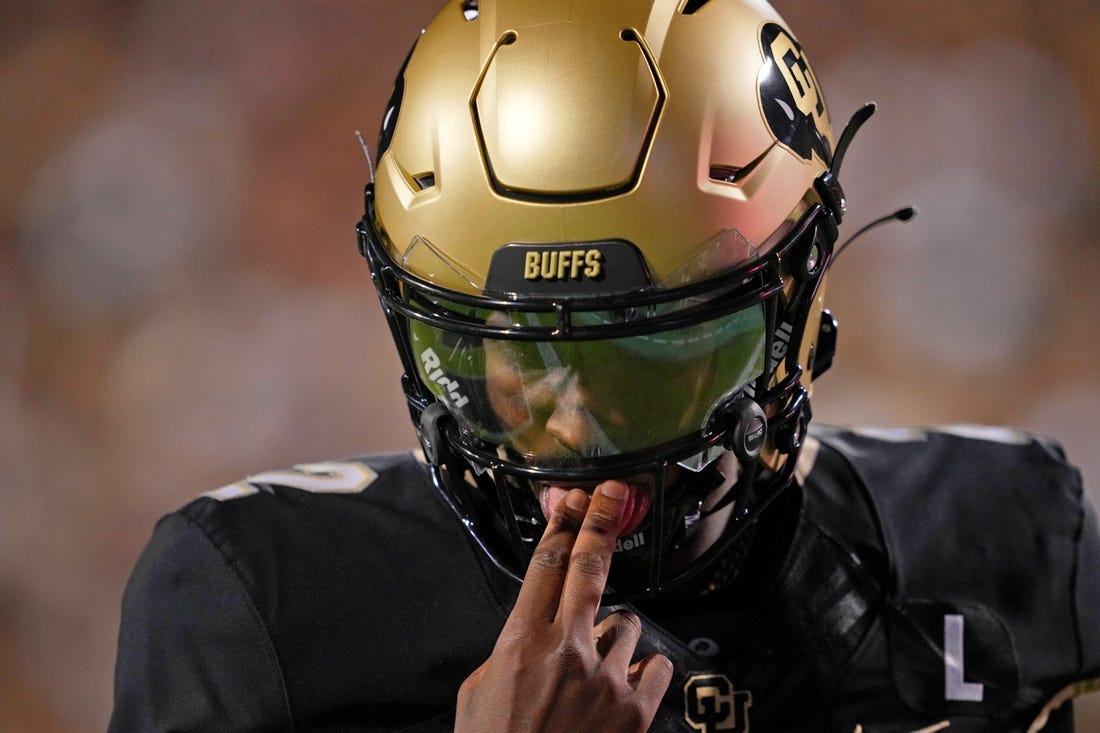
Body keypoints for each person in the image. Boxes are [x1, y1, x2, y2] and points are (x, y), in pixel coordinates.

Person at [109, 0, 1100, 731]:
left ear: (793, 311)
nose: (574, 431)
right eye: (506, 358)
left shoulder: (1007, 536)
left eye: (647, 355)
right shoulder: (259, 606)